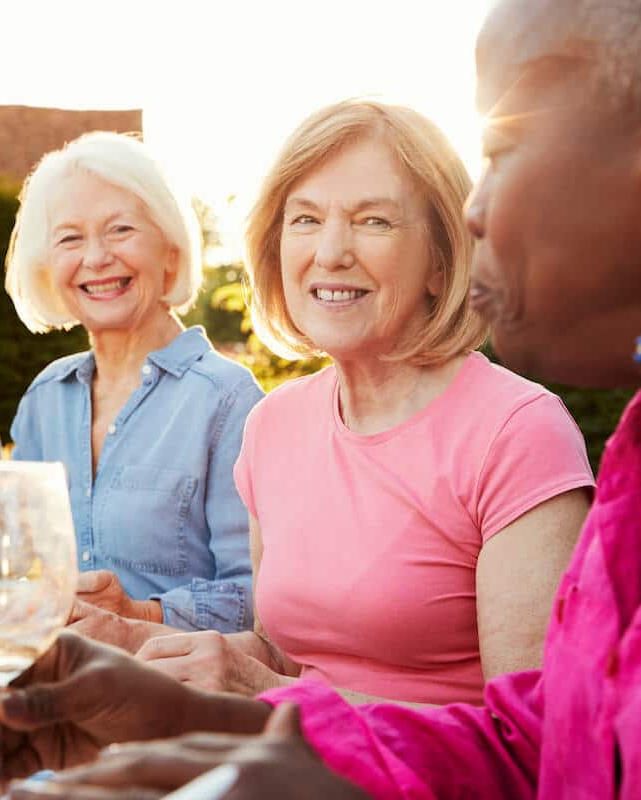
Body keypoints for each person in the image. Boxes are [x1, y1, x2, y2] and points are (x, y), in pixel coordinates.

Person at [0, 0, 641, 796]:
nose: (477, 211)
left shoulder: (528, 430)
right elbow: (541, 754)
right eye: (305, 220)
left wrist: (241, 707)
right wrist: (183, 711)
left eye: (504, 152)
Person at [133, 99, 593, 707]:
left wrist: (273, 693)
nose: (330, 252)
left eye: (373, 221)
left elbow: (533, 739)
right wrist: (129, 641)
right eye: (304, 219)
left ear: (442, 259)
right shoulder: (273, 424)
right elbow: (290, 659)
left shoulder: (518, 432)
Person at [0, 132, 263, 636]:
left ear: (170, 250)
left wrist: (140, 615)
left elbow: (263, 601)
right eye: (70, 238)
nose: (95, 258)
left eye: (120, 230)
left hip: (170, 694)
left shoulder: (229, 400)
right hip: (49, 681)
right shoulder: (46, 397)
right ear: (48, 267)